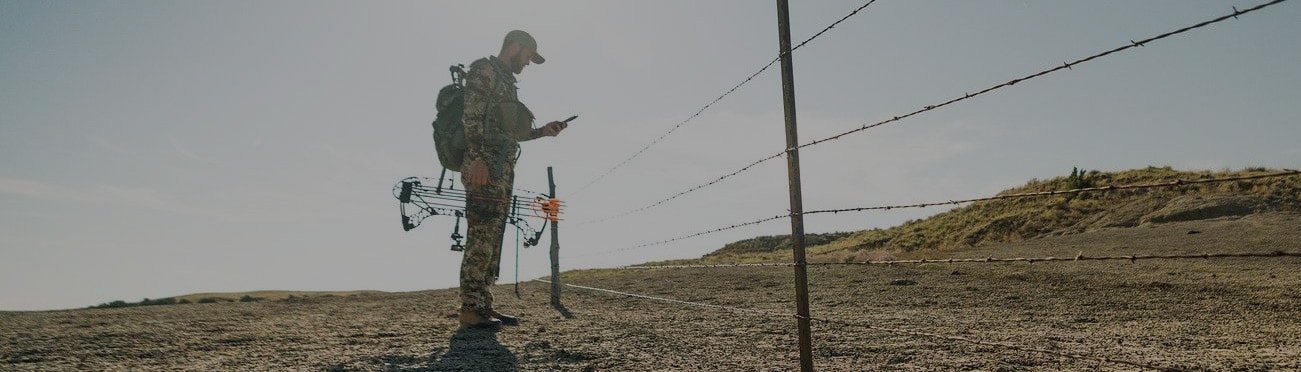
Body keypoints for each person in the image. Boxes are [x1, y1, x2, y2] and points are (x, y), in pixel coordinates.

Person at [458, 30, 567, 328]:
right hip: (483, 167)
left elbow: (509, 132)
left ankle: (484, 305)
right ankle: (470, 309)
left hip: (501, 171)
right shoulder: (484, 70)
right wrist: (478, 158)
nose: (528, 63)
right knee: (480, 237)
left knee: (493, 238)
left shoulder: (507, 82)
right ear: (516, 47)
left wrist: (543, 131)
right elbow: (471, 116)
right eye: (528, 56)